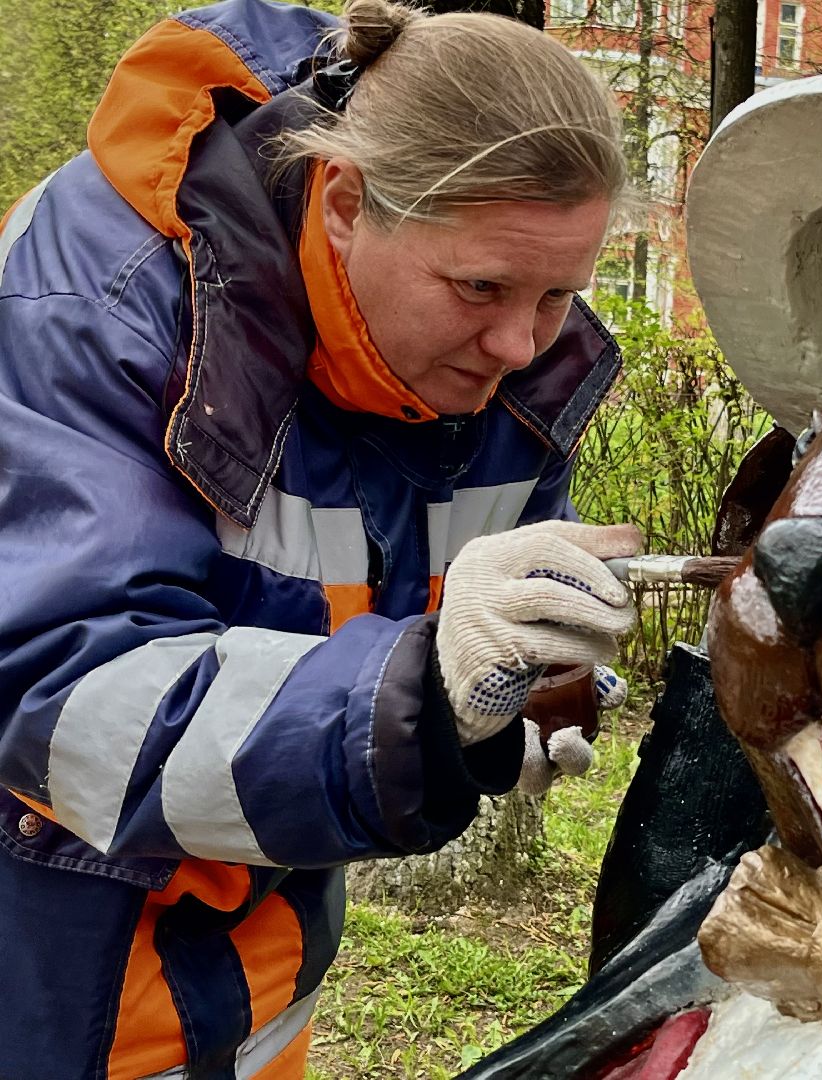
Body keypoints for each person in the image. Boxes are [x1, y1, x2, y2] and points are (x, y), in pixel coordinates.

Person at [0, 0, 640, 1075]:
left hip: (254, 981)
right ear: (344, 202)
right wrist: (421, 691)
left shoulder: (509, 362)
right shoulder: (90, 312)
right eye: (481, 286)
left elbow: (448, 630)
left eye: (558, 295)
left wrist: (514, 687)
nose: (519, 342)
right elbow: (58, 691)